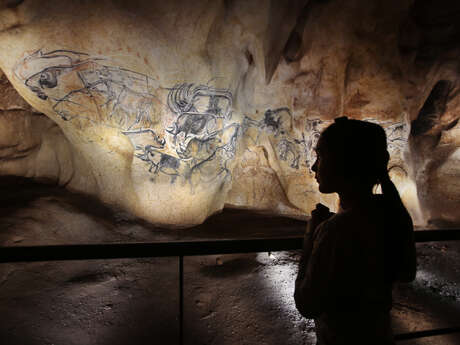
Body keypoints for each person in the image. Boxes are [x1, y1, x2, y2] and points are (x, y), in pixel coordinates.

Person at [294, 116, 416, 345]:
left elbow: (307, 303)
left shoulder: (336, 231)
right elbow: (407, 273)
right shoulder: (392, 213)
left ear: (344, 162)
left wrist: (310, 237)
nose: (313, 166)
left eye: (320, 156)